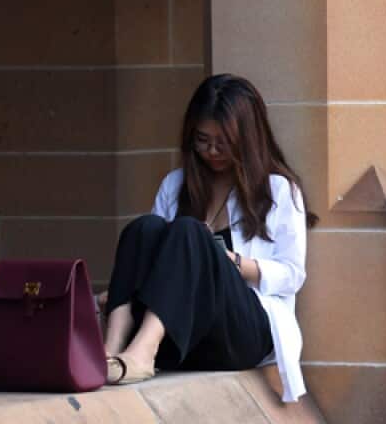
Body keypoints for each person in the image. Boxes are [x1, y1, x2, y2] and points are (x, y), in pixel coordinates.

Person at [99, 74, 317, 403]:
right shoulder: (176, 185)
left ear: (247, 139)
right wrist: (119, 289)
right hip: (185, 334)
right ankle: (111, 351)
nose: (212, 151)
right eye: (202, 140)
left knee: (189, 232)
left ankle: (143, 352)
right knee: (144, 228)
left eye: (223, 142)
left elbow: (292, 275)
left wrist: (233, 264)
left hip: (243, 332)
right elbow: (151, 256)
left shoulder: (278, 191)